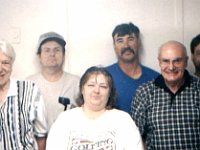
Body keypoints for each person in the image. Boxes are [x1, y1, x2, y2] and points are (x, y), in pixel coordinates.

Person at [46, 66, 144, 150]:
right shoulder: (65, 120)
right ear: (82, 89)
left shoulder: (123, 120)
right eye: (91, 85)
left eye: (103, 86)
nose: (96, 90)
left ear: (110, 92)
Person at [131, 40, 200, 149]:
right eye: (166, 61)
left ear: (186, 61)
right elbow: (135, 137)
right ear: (159, 62)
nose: (171, 67)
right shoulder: (144, 93)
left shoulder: (198, 88)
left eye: (177, 61)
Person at [0, 39, 47, 150]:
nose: (0, 68)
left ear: (12, 65)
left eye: (5, 62)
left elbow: (41, 135)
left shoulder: (29, 90)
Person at [27, 31, 80, 130]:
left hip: (67, 141)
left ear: (63, 55)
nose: (52, 54)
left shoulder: (76, 83)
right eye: (47, 50)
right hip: (36, 142)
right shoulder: (28, 84)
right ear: (39, 56)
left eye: (57, 50)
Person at [106, 22, 159, 114]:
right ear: (114, 46)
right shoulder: (104, 76)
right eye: (120, 40)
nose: (126, 45)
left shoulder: (155, 78)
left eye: (130, 39)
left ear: (138, 43)